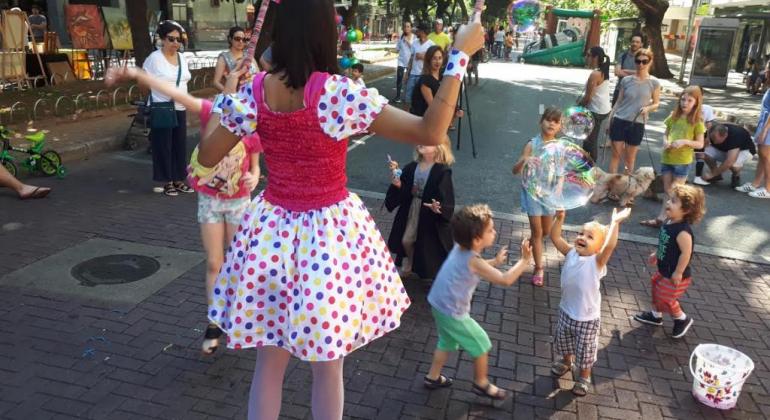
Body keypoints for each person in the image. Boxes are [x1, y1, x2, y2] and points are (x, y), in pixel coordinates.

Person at [195, 0, 484, 417]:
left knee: (268, 364)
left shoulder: (256, 91)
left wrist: (231, 98)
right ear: (324, 31)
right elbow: (430, 130)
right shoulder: (334, 94)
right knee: (328, 367)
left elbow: (206, 156)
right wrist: (459, 56)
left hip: (271, 234)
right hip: (325, 242)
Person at [106, 64, 263, 355]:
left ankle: (239, 317)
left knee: (239, 264)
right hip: (210, 201)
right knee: (215, 262)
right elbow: (172, 92)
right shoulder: (211, 112)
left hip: (240, 200)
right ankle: (214, 322)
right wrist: (135, 73)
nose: (243, 86)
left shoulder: (253, 119)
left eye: (247, 82)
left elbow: (254, 162)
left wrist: (254, 174)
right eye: (240, 81)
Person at [424, 204, 532, 401]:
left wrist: (495, 262)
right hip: (453, 313)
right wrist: (524, 261)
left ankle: (432, 377)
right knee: (481, 344)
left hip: (438, 305)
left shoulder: (460, 247)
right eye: (490, 230)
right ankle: (481, 382)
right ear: (476, 239)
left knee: (446, 341)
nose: (495, 232)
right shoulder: (474, 260)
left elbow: (473, 267)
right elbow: (505, 279)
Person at [549, 207, 631, 396]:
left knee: (585, 351)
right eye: (580, 233)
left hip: (587, 318)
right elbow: (555, 238)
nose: (582, 238)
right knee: (564, 341)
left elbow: (610, 246)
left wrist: (615, 223)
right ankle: (566, 361)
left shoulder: (597, 262)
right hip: (566, 311)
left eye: (590, 237)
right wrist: (559, 218)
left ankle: (584, 376)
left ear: (599, 248)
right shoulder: (571, 253)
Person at [634, 184, 706, 339]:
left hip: (676, 274)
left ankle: (682, 319)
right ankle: (655, 316)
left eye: (673, 202)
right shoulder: (668, 222)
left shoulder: (683, 232)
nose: (668, 203)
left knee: (666, 298)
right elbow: (665, 243)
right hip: (664, 268)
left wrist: (678, 272)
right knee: (656, 288)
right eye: (669, 200)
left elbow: (686, 254)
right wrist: (657, 254)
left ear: (685, 210)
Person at [385, 141, 455, 279]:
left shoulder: (442, 171)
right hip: (412, 208)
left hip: (429, 213)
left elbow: (446, 195)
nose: (421, 143)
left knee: (428, 244)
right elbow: (406, 189)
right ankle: (410, 261)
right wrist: (398, 185)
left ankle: (421, 267)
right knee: (406, 240)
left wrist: (438, 207)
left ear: (439, 147)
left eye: (427, 141)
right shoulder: (411, 167)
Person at [640, 86, 704, 228]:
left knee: (676, 193)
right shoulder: (673, 116)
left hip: (682, 162)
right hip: (668, 158)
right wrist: (665, 142)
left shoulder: (697, 121)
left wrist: (684, 142)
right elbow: (666, 133)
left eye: (689, 100)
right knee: (668, 191)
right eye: (683, 99)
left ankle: (675, 221)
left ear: (696, 102)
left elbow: (700, 144)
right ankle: (662, 218)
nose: (685, 103)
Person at [512, 107, 562, 287]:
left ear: (560, 127)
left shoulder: (558, 147)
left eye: (556, 121)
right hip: (532, 193)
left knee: (546, 231)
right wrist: (524, 161)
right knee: (538, 231)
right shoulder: (532, 144)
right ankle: (539, 267)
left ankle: (533, 242)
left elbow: (561, 173)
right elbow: (515, 170)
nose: (551, 123)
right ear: (541, 122)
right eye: (548, 119)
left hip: (549, 195)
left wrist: (559, 192)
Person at [142, 20, 193, 196]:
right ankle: (166, 181)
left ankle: (179, 179)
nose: (175, 43)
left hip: (180, 106)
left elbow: (185, 79)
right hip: (162, 107)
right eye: (171, 39)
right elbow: (143, 81)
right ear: (162, 39)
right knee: (163, 145)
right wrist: (159, 94)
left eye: (179, 40)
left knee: (179, 144)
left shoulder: (182, 58)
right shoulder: (154, 59)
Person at [607, 48, 661, 175]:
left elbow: (656, 103)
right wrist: (609, 120)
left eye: (644, 61)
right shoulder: (626, 80)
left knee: (630, 159)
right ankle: (613, 188)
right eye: (638, 61)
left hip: (637, 123)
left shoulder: (654, 82)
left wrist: (648, 108)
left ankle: (626, 188)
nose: (641, 64)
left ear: (650, 62)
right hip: (620, 120)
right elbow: (618, 102)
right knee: (616, 157)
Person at [694, 123, 756, 188]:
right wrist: (700, 152)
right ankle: (716, 175)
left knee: (734, 165)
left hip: (744, 151)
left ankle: (736, 175)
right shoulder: (712, 130)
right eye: (712, 137)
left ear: (725, 135)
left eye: (715, 138)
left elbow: (730, 161)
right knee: (704, 153)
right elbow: (701, 145)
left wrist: (711, 174)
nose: (713, 141)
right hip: (726, 149)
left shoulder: (736, 135)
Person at [578, 46, 611, 161]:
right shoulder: (602, 70)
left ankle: (590, 166)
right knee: (589, 137)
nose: (586, 58)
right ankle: (586, 163)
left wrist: (577, 106)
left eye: (588, 55)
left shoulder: (595, 74)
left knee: (590, 140)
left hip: (596, 110)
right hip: (602, 109)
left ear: (595, 57)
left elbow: (588, 98)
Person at [736, 85, 770, 198]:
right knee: (762, 155)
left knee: (766, 157)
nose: (766, 72)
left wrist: (765, 130)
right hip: (764, 123)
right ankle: (755, 183)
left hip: (768, 126)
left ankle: (768, 189)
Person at [213, 26, 258, 92]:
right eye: (237, 39)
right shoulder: (224, 57)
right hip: (233, 93)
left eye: (243, 39)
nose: (241, 42)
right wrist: (229, 94)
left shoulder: (249, 55)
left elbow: (258, 74)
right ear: (230, 39)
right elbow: (216, 82)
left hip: (251, 92)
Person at [404, 23, 435, 107]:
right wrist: (407, 74)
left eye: (418, 30)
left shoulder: (431, 45)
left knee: (421, 99)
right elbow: (411, 59)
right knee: (408, 97)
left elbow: (434, 61)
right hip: (413, 75)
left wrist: (423, 56)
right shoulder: (414, 43)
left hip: (424, 76)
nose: (416, 32)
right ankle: (406, 116)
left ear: (423, 32)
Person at [409, 46, 443, 116]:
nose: (437, 61)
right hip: (422, 120)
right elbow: (433, 107)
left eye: (440, 58)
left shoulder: (443, 76)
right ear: (428, 60)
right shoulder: (425, 80)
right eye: (434, 58)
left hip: (433, 118)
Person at [612, 34, 642, 106]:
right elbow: (617, 72)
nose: (634, 44)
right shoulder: (622, 55)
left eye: (637, 42)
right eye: (633, 41)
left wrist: (624, 70)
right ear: (630, 43)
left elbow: (641, 74)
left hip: (635, 91)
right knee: (614, 113)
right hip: (619, 89)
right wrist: (635, 74)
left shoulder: (643, 58)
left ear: (641, 44)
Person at [394, 21, 415, 103]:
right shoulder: (401, 38)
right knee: (399, 79)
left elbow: (414, 49)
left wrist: (408, 42)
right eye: (405, 26)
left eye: (408, 26)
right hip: (401, 62)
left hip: (410, 63)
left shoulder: (415, 38)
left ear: (411, 28)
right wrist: (389, 51)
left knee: (409, 80)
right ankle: (398, 96)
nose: (406, 28)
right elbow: (397, 49)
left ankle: (408, 97)